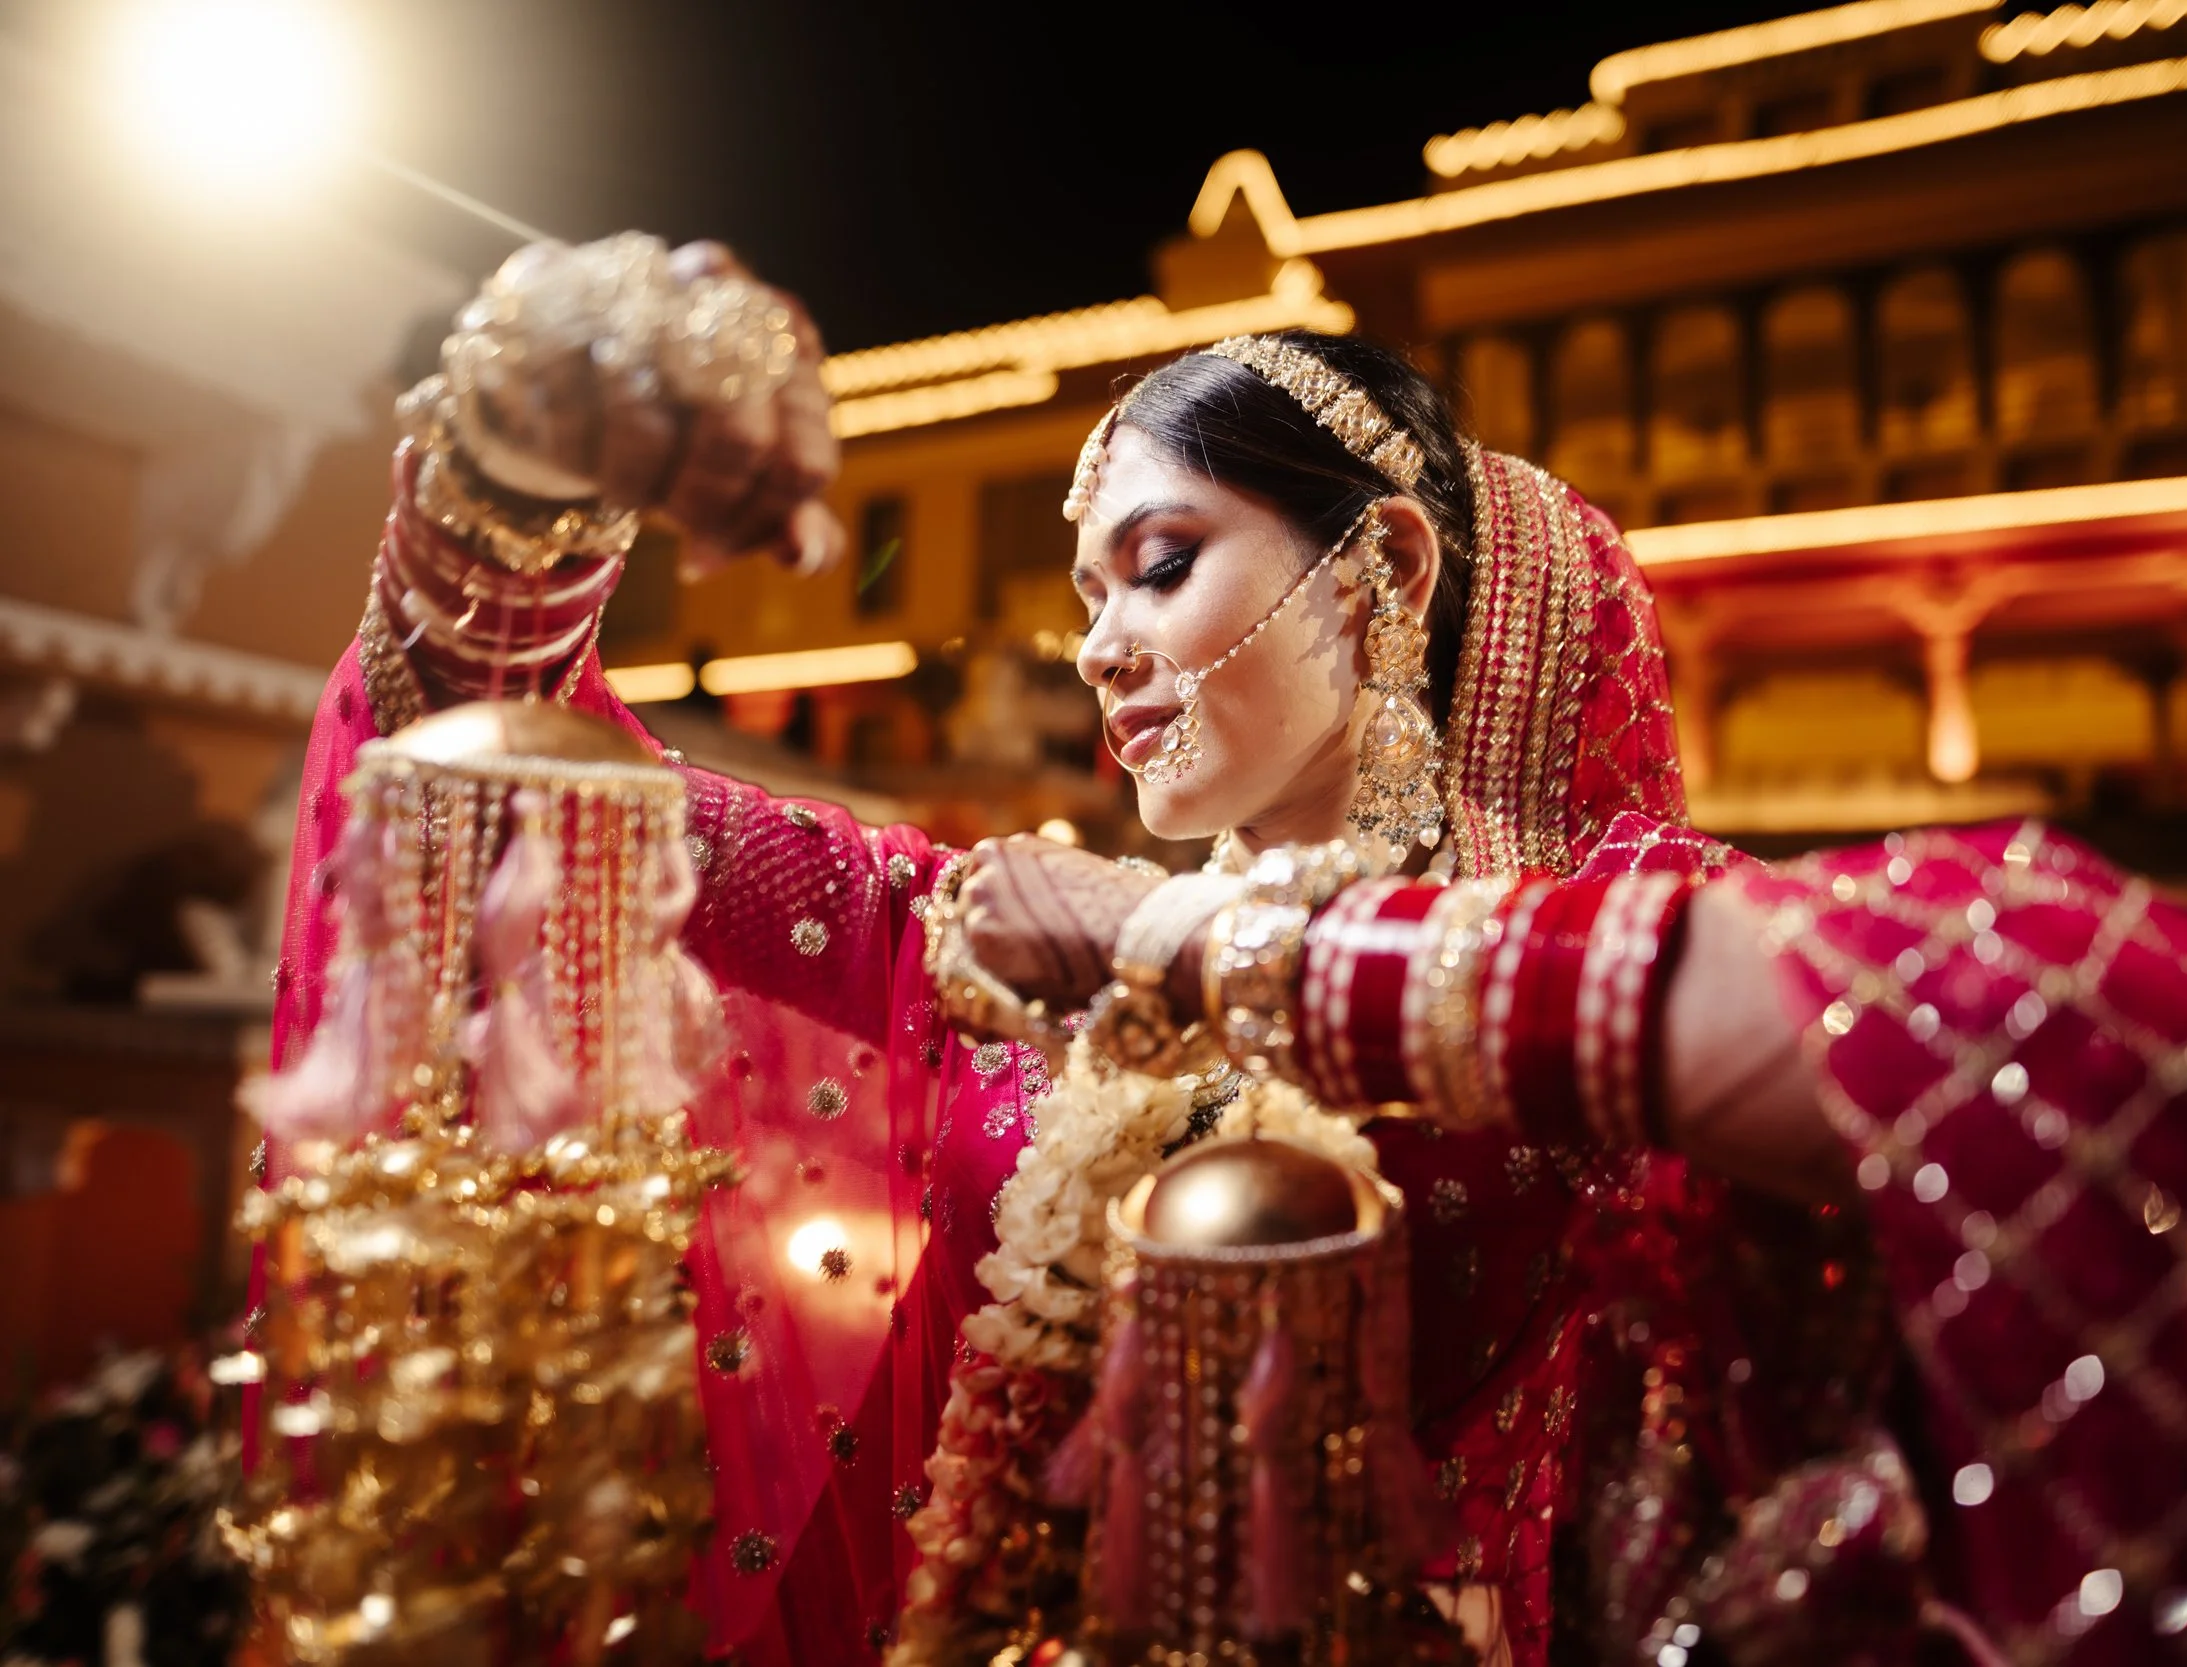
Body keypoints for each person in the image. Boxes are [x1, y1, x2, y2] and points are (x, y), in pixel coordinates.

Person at [268, 232, 1726, 1665]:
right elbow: (509, 768)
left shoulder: (1610, 958)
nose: (1095, 645)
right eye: (1087, 596)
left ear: (1384, 567)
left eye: (1159, 565)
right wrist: (517, 466)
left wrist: (1171, 938)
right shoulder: (1019, 955)